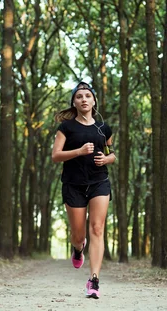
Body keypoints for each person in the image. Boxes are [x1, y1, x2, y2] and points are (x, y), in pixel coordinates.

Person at [51, 82, 116, 299]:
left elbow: (112, 153)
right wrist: (78, 151)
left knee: (97, 228)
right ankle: (78, 249)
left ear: (94, 101)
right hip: (73, 184)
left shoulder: (103, 128)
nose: (84, 99)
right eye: (79, 96)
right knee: (79, 235)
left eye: (88, 96)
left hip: (99, 182)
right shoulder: (66, 128)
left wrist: (106, 158)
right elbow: (55, 156)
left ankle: (94, 280)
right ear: (74, 102)